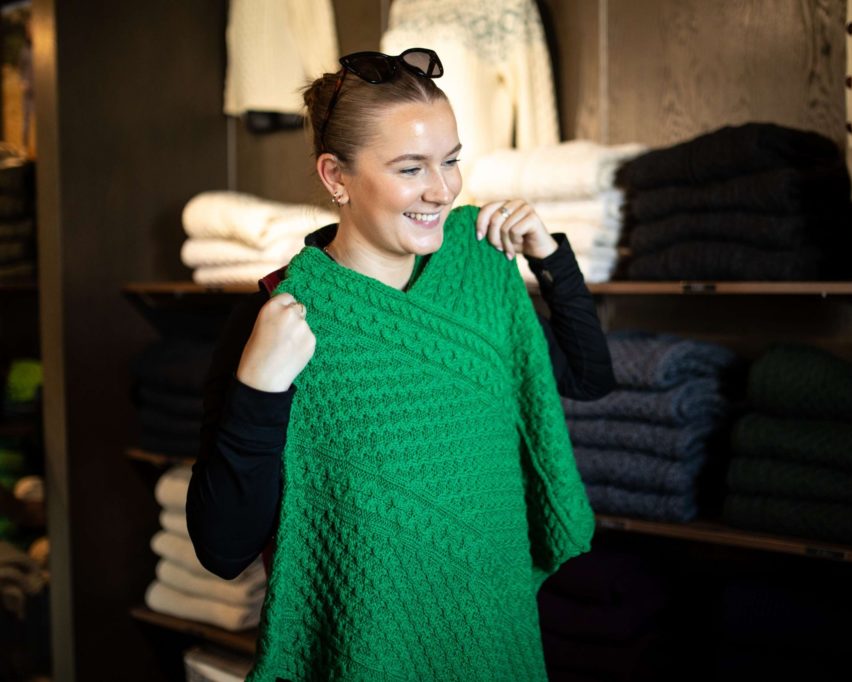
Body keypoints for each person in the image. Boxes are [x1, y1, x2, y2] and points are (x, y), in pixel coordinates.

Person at [186, 48, 614, 681]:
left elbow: (589, 378)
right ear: (336, 176)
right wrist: (259, 389)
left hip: (496, 636)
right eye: (411, 167)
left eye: (451, 160)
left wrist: (549, 258)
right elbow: (222, 549)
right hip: (369, 655)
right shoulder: (284, 315)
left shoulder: (475, 275)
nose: (441, 190)